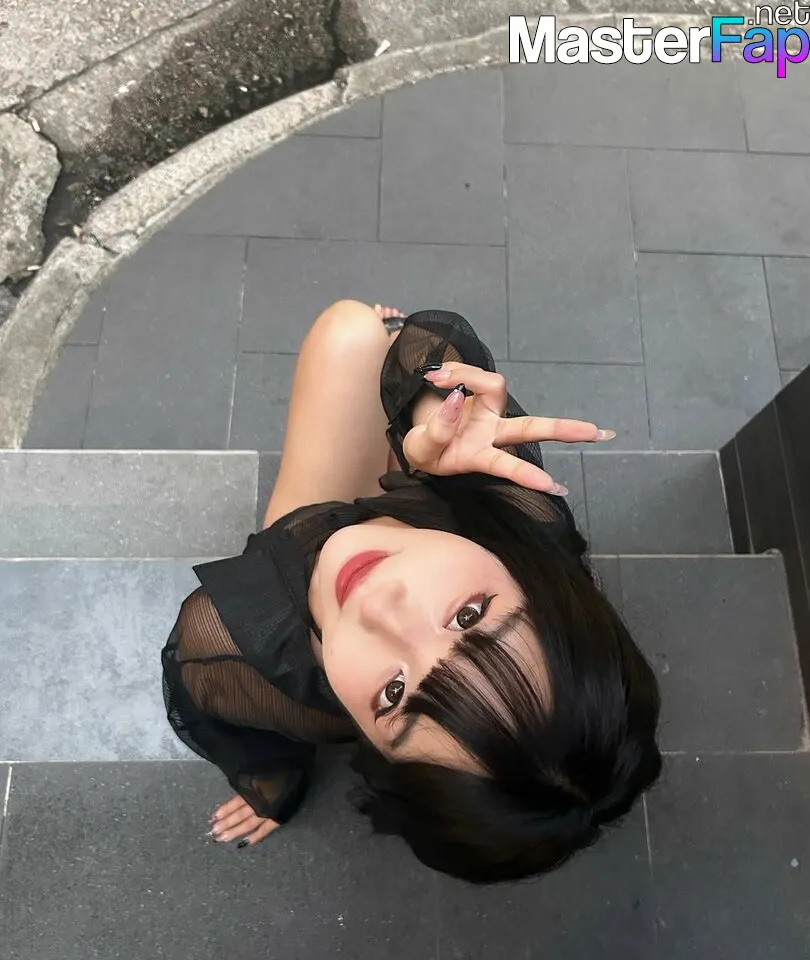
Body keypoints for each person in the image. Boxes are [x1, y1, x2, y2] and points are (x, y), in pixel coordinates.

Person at [161, 301, 662, 885]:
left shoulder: (245, 647)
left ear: (375, 754)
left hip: (304, 557)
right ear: (542, 583)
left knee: (350, 334)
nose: (377, 607)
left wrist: (271, 784)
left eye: (394, 695)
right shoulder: (525, 516)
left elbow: (225, 718)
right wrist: (434, 415)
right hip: (427, 509)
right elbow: (429, 346)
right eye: (469, 617)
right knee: (355, 332)